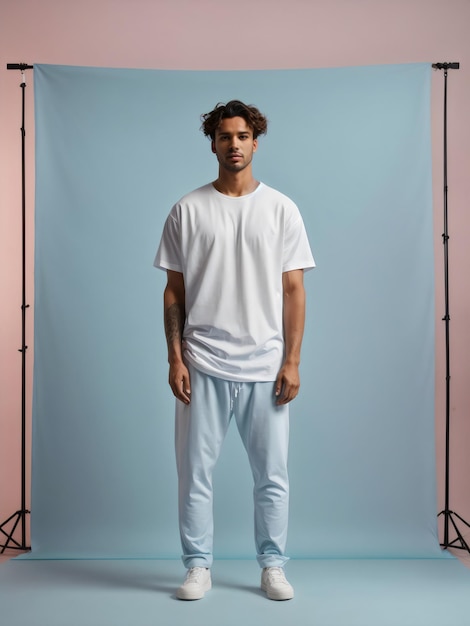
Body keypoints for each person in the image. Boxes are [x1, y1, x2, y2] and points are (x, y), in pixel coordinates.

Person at [154, 100, 315, 601]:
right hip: (202, 363)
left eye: (243, 136)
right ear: (213, 143)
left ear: (255, 141)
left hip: (265, 365)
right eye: (225, 136)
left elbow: (294, 291)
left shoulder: (282, 209)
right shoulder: (188, 209)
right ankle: (197, 566)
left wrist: (292, 360)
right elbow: (174, 292)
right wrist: (175, 357)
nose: (234, 144)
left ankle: (272, 565)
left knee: (272, 476)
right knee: (194, 475)